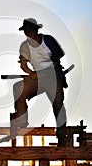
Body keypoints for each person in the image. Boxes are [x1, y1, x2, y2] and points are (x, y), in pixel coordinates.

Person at [12, 18, 68, 146]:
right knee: (18, 88)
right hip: (37, 77)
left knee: (58, 104)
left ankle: (62, 134)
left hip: (53, 74)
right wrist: (31, 74)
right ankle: (21, 120)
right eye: (26, 31)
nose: (28, 34)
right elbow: (23, 65)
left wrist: (48, 61)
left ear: (36, 30)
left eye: (30, 31)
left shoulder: (48, 40)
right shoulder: (24, 46)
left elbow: (59, 54)